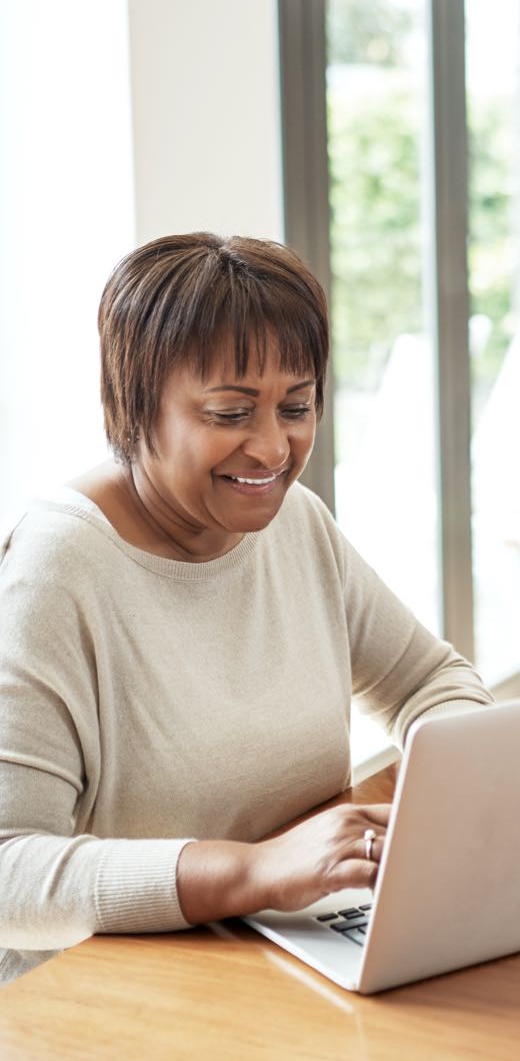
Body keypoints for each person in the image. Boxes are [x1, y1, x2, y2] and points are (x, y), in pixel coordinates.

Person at [0, 233, 493, 986]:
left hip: (290, 948)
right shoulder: (57, 570)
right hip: (107, 992)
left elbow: (428, 679)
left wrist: (454, 796)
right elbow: (10, 872)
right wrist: (251, 872)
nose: (272, 449)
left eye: (296, 406)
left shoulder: (295, 522)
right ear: (135, 405)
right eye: (231, 413)